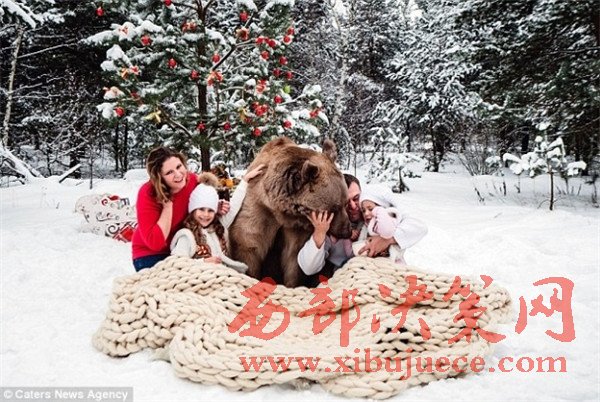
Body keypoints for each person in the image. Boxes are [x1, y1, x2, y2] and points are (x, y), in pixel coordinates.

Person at [297, 174, 427, 275]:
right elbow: (308, 268)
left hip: (389, 272)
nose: (353, 206)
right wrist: (319, 233)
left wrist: (387, 239)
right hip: (351, 279)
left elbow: (419, 226)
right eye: (346, 202)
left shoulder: (375, 214)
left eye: (356, 198)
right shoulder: (331, 225)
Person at [131, 147, 231, 271]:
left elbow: (201, 204)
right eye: (169, 172)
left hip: (184, 247)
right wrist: (167, 206)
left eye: (179, 167)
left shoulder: (192, 180)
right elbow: (155, 243)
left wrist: (214, 206)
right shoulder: (147, 193)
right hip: (151, 254)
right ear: (159, 177)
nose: (178, 175)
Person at [170, 166, 264, 272]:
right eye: (201, 209)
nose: (206, 214)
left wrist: (245, 181)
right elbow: (176, 263)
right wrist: (203, 262)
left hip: (223, 276)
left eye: (210, 210)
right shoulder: (187, 236)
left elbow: (234, 207)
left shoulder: (218, 226)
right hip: (199, 279)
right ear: (193, 210)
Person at [352, 184, 413, 265]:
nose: (366, 213)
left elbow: (387, 231)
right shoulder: (365, 227)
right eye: (363, 210)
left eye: (370, 209)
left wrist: (379, 211)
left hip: (393, 265)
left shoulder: (391, 221)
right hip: (370, 266)